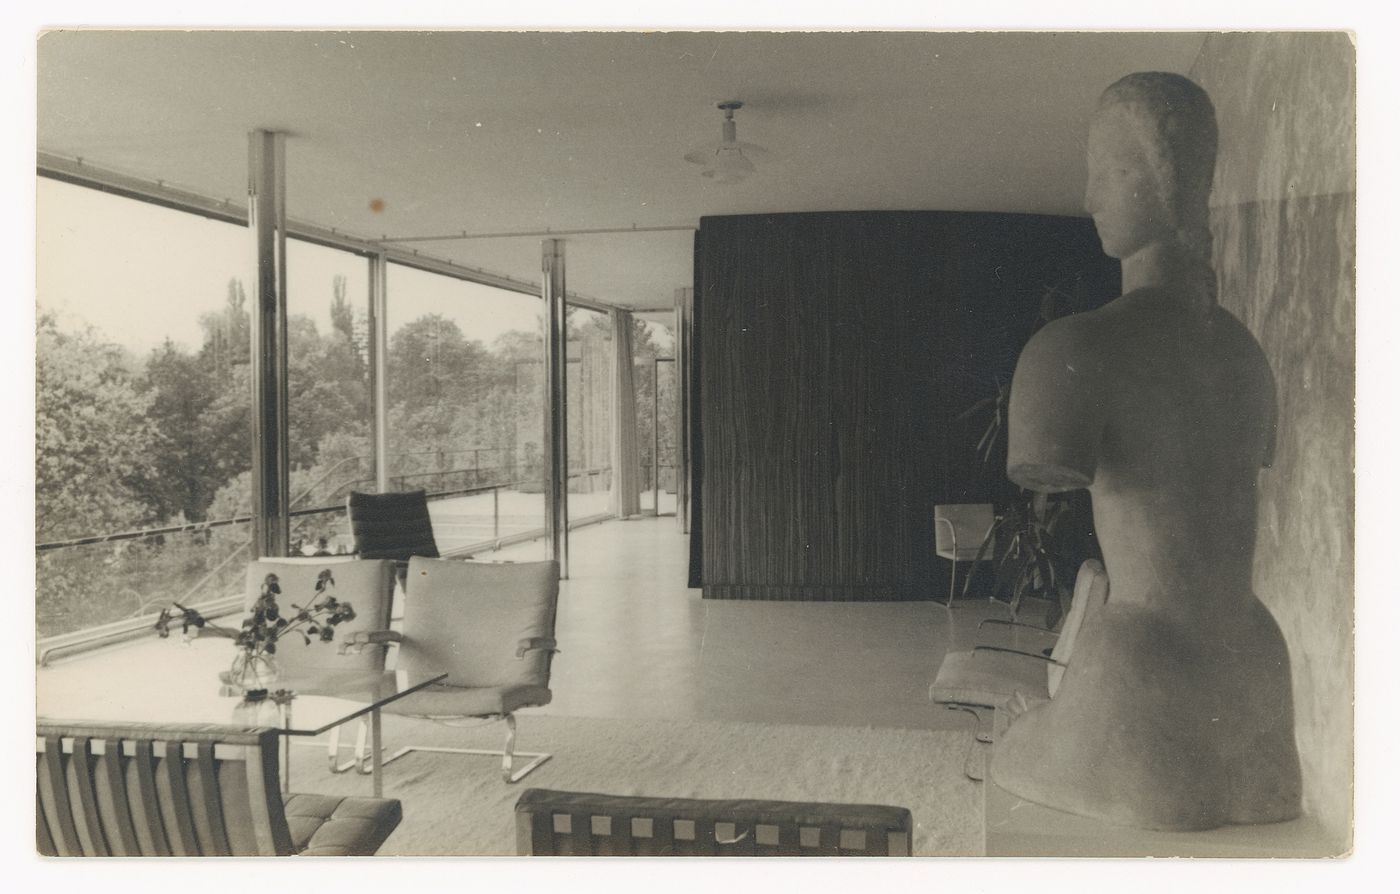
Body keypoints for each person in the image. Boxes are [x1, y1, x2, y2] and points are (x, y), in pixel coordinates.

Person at [989, 72, 1302, 831]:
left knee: (1011, 744)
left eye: (1110, 169)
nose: (1092, 196)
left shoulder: (1074, 350)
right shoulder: (1245, 355)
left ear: (1164, 179)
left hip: (1142, 667)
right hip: (1257, 668)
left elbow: (1042, 466)